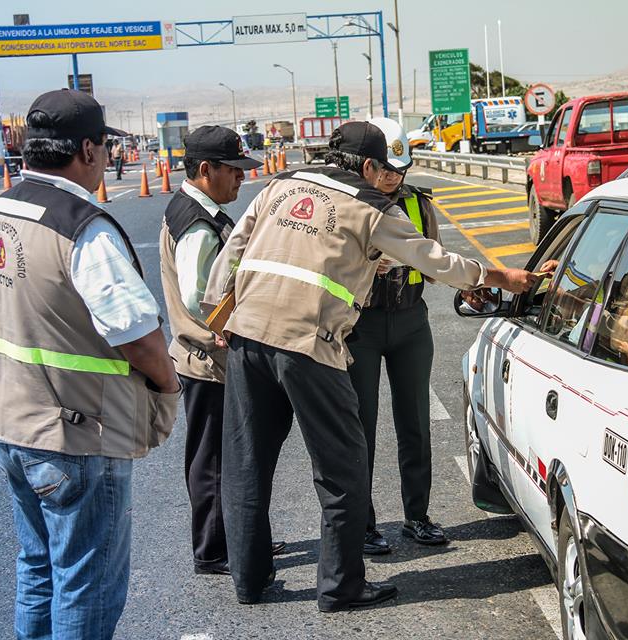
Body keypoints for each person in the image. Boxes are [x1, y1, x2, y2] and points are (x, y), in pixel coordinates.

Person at [202, 121, 539, 612]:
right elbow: (434, 260)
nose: (387, 177)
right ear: (366, 166)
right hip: (309, 344)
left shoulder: (278, 187)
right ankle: (341, 587)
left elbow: (232, 255)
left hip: (248, 337)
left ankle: (249, 581)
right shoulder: (369, 207)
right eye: (383, 167)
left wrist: (221, 313)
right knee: (344, 470)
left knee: (246, 466)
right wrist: (498, 275)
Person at [0, 88, 180, 639]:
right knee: (86, 580)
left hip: (9, 425)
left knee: (38, 568)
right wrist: (169, 383)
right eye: (104, 147)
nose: (105, 157)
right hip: (77, 437)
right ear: (87, 149)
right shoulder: (83, 227)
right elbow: (136, 334)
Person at [158, 125, 285, 576]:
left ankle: (234, 534)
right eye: (233, 170)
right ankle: (213, 549)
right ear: (206, 169)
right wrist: (228, 326)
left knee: (224, 455)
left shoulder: (197, 209)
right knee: (212, 461)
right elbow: (198, 295)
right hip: (206, 359)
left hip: (206, 356)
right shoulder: (198, 222)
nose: (241, 179)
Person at [345, 118, 448, 555]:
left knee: (415, 422)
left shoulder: (417, 203)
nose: (392, 176)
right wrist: (369, 266)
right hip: (360, 327)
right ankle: (363, 524)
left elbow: (434, 263)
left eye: (399, 169)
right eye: (386, 168)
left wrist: (405, 262)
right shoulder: (348, 202)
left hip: (409, 320)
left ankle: (417, 516)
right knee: (359, 428)